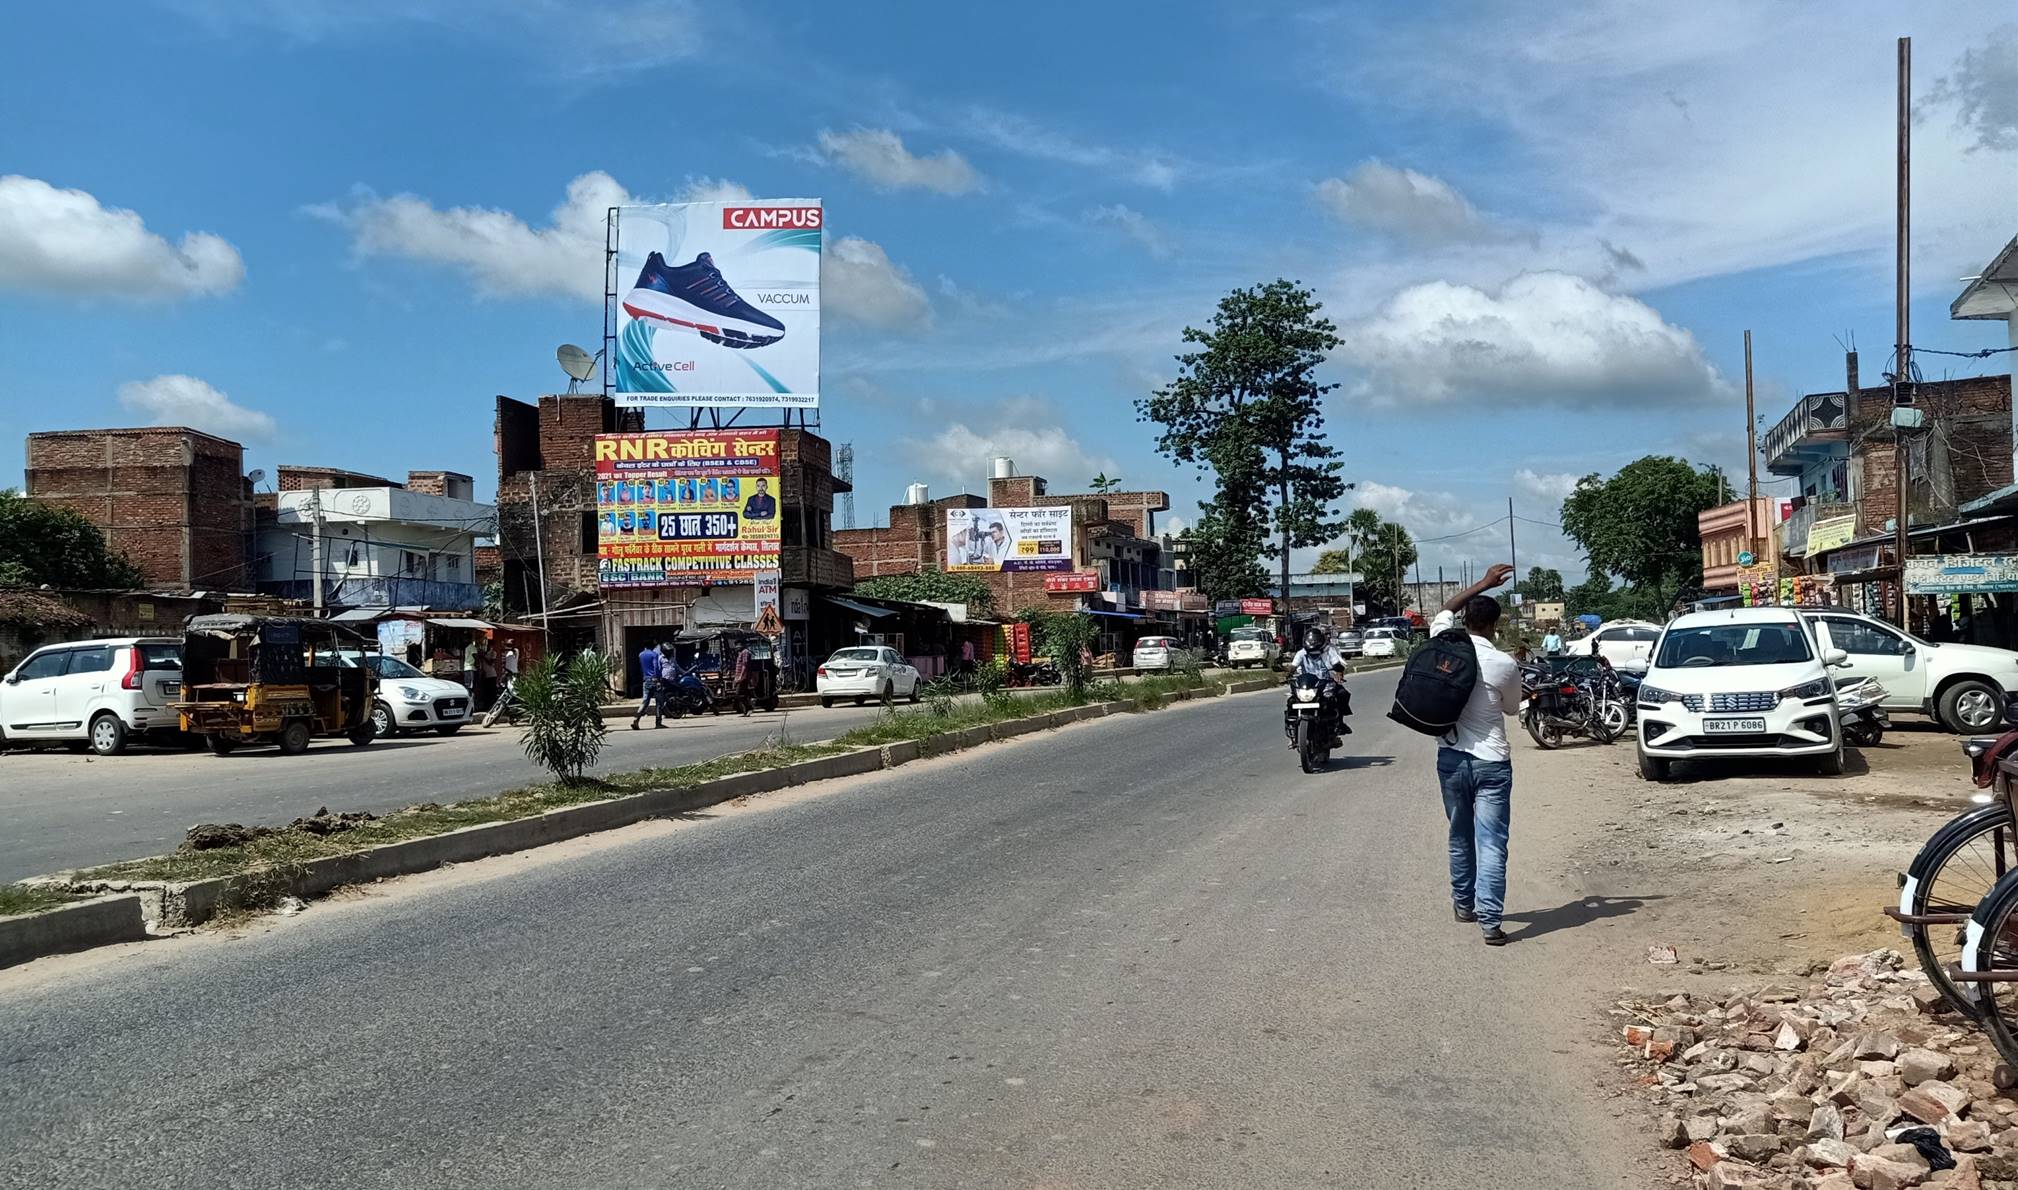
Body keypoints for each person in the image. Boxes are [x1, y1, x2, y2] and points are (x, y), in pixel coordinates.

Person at [1430, 562, 1524, 947]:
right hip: (1491, 763)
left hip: (1450, 759)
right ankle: (1490, 922)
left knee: (1459, 834)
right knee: (1491, 841)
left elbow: (1444, 611)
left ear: (1466, 620)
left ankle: (1463, 904)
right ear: (1495, 626)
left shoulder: (1443, 645)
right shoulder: (1503, 663)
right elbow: (1513, 709)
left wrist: (1483, 583)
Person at [631, 640, 667, 729]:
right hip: (654, 680)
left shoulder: (641, 655)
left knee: (645, 701)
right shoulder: (654, 655)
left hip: (646, 680)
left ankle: (636, 719)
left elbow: (641, 668)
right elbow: (656, 667)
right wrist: (658, 679)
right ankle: (658, 723)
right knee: (659, 702)